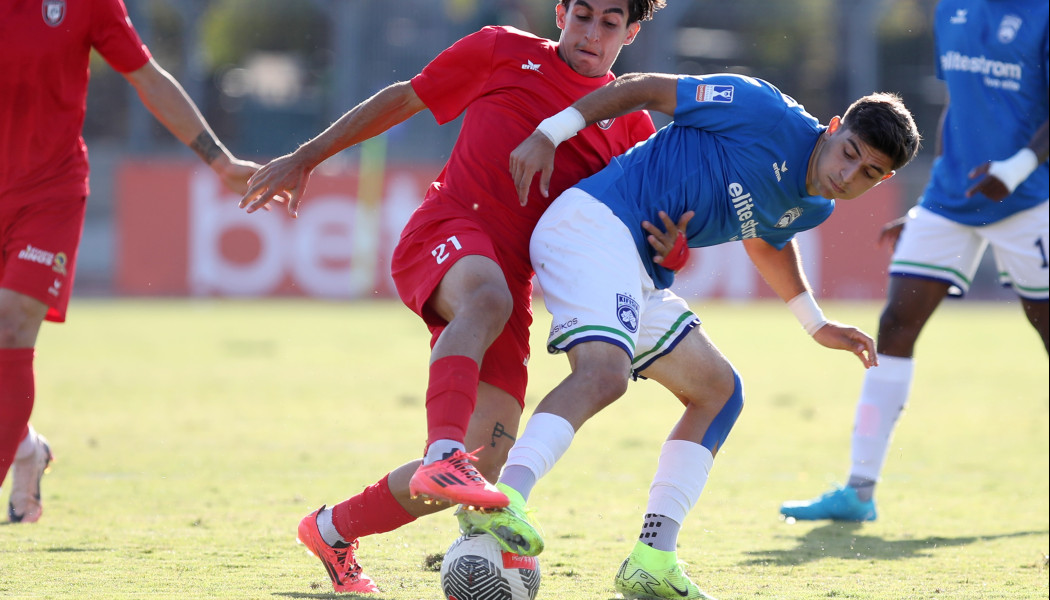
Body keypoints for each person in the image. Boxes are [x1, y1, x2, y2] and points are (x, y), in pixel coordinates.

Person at [238, 0, 664, 593]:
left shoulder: (629, 125)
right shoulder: (501, 50)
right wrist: (308, 156)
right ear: (561, 11)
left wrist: (669, 246)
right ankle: (442, 451)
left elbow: (645, 235)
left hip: (511, 284)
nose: (590, 33)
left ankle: (332, 530)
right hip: (447, 229)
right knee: (485, 309)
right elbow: (404, 99)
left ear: (632, 31)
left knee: (485, 461)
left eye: (609, 22)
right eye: (581, 15)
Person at [456, 71, 921, 600]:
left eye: (869, 172)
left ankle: (653, 559)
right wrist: (551, 132)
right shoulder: (762, 108)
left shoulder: (816, 206)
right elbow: (646, 85)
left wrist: (815, 324)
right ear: (834, 127)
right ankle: (503, 500)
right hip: (594, 224)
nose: (849, 173)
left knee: (719, 393)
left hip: (637, 266)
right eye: (850, 152)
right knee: (605, 374)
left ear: (883, 181)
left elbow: (767, 240)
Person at [780, 0, 1048, 523]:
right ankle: (859, 492)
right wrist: (927, 206)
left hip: (1030, 199)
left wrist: (1014, 170)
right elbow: (962, 106)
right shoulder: (953, 10)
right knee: (895, 326)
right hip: (953, 197)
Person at [0, 0, 258, 525]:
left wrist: (218, 158)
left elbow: (149, 78)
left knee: (10, 324)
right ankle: (26, 447)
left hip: (47, 193)